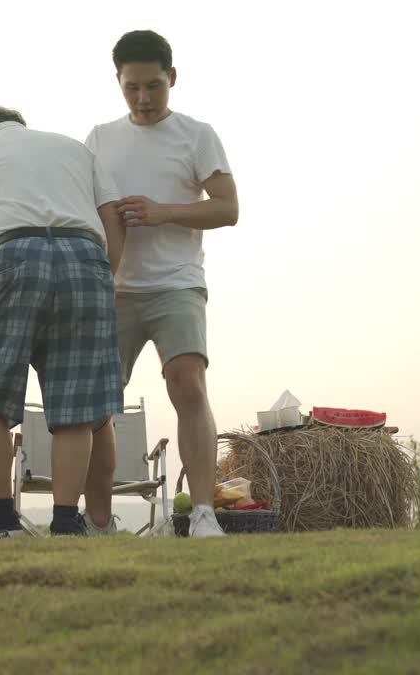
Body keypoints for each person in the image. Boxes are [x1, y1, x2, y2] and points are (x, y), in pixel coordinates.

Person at [0, 105, 125, 539]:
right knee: (76, 404)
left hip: (13, 255)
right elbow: (112, 214)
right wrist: (106, 271)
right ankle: (68, 520)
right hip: (85, 258)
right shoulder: (73, 150)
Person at [83, 30, 239, 538]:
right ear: (118, 84)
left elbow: (227, 207)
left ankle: (204, 514)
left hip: (177, 284)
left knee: (188, 385)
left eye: (154, 86)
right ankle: (98, 521)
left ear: (172, 79)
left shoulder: (198, 135)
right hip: (114, 290)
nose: (144, 99)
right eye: (133, 88)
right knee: (96, 404)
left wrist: (161, 212)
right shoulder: (99, 138)